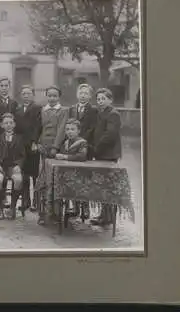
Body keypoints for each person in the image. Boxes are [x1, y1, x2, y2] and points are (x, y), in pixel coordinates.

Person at [36, 85, 69, 225]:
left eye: (55, 96)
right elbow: (38, 128)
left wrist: (55, 147)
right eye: (49, 95)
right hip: (43, 149)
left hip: (56, 150)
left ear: (59, 97)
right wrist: (38, 143)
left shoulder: (63, 111)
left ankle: (55, 212)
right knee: (43, 178)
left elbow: (62, 130)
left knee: (55, 180)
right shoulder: (42, 110)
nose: (52, 98)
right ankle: (43, 211)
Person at [90, 88, 122, 227]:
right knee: (102, 185)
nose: (100, 102)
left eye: (103, 99)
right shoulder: (100, 113)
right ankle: (104, 215)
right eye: (98, 99)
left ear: (110, 100)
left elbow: (110, 135)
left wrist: (96, 148)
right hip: (101, 154)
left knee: (107, 185)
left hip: (108, 154)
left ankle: (108, 217)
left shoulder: (113, 114)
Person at [69, 83, 98, 220]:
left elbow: (92, 129)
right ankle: (74, 206)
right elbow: (69, 126)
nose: (83, 95)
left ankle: (85, 208)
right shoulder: (72, 109)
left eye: (86, 93)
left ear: (90, 96)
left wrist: (81, 140)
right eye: (81, 93)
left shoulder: (93, 110)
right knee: (73, 177)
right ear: (77, 94)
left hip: (86, 147)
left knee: (85, 179)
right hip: (72, 148)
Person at [0, 113, 25, 220]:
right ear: (1, 125)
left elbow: (23, 155)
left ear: (14, 124)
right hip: (0, 166)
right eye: (6, 123)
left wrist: (18, 165)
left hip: (12, 166)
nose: (8, 125)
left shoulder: (19, 138)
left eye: (10, 123)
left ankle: (12, 207)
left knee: (18, 179)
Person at [14, 85, 42, 212]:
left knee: (35, 175)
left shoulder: (37, 108)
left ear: (33, 94)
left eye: (29, 93)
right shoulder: (18, 109)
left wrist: (35, 142)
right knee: (24, 174)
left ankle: (36, 201)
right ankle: (25, 200)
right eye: (24, 93)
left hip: (32, 145)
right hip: (21, 146)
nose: (26, 95)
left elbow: (38, 126)